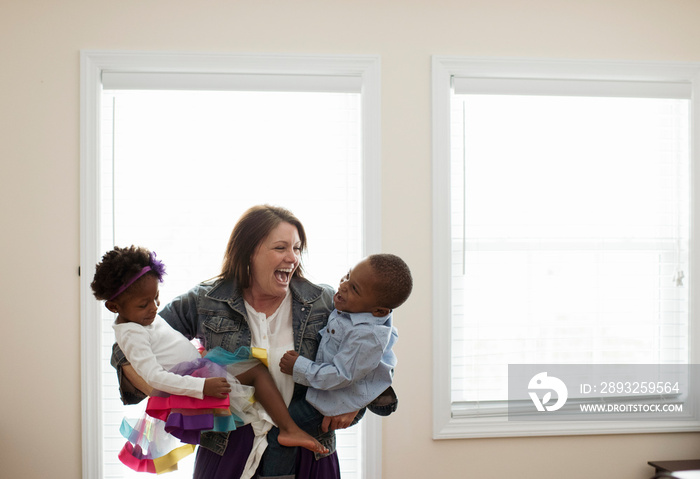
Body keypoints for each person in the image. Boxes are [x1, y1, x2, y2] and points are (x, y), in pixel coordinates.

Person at [111, 205, 376, 479]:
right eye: (281, 248)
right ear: (249, 252)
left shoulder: (322, 301)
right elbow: (125, 347)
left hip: (308, 450)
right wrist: (176, 394)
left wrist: (356, 400)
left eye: (297, 248)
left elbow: (373, 352)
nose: (292, 258)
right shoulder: (205, 300)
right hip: (226, 450)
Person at [94, 245, 327, 476]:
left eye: (156, 298)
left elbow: (167, 344)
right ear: (114, 307)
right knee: (256, 372)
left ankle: (280, 434)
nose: (154, 308)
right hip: (194, 382)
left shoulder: (140, 320)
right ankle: (288, 428)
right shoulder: (132, 334)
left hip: (199, 368)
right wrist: (203, 385)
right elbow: (154, 376)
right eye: (144, 304)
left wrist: (198, 354)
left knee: (254, 376)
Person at [280, 254, 411, 420]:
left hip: (333, 403)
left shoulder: (367, 336)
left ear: (378, 311)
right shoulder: (357, 308)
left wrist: (299, 366)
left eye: (355, 288)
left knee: (281, 423)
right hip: (329, 389)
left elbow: (341, 375)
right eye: (348, 275)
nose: (343, 285)